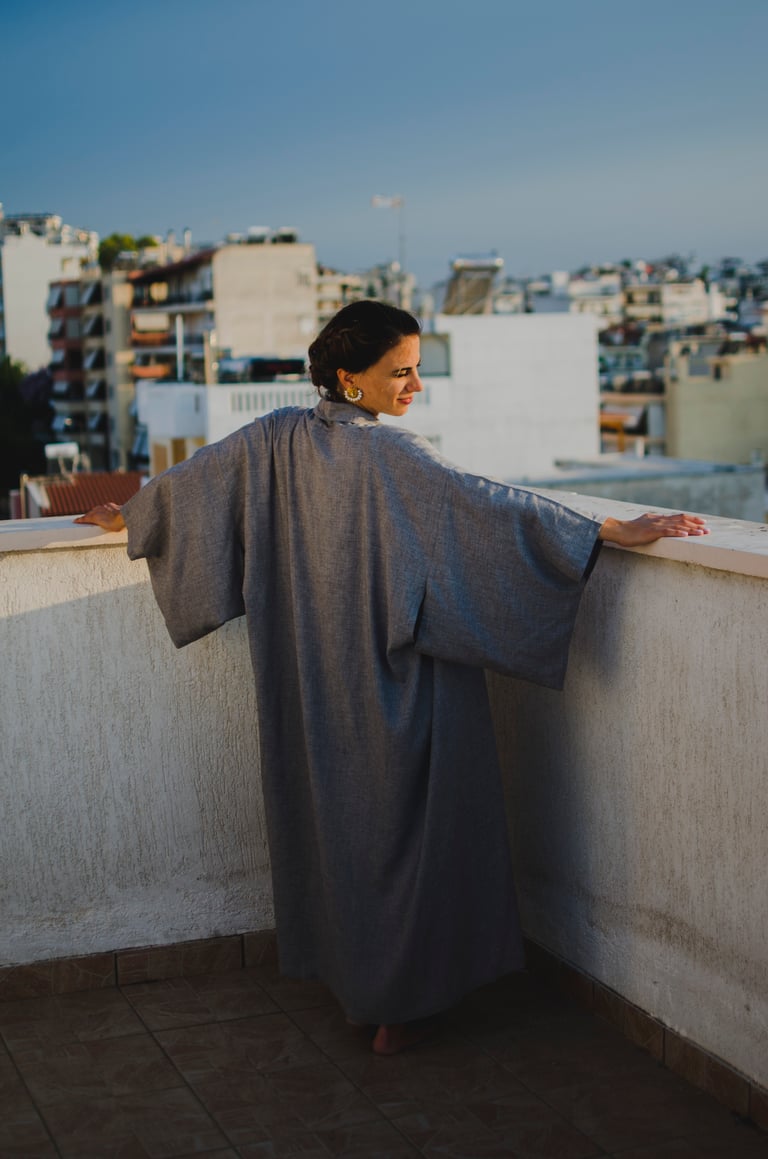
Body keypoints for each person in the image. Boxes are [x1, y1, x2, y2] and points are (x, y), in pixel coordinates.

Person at [76, 301, 708, 1055]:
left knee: (341, 830)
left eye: (416, 368)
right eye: (400, 372)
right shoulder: (396, 456)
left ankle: (359, 992)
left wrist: (131, 514)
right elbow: (492, 509)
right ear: (350, 378)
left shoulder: (277, 437)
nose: (415, 386)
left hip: (310, 679)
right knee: (410, 834)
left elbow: (193, 483)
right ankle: (398, 1010)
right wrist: (609, 529)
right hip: (404, 679)